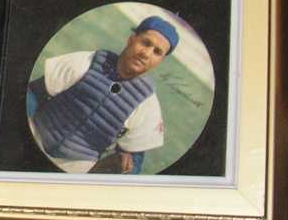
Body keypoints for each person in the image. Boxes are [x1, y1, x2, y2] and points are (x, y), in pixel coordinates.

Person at [27, 15, 179, 174]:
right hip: (37, 133)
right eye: (145, 43)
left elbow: (134, 157)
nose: (146, 54)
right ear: (131, 39)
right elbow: (34, 92)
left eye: (157, 52)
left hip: (76, 165)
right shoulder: (87, 62)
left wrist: (127, 166)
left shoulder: (147, 104)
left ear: (160, 60)